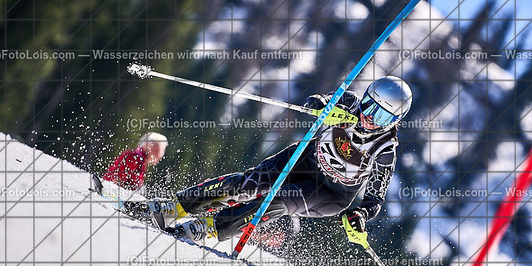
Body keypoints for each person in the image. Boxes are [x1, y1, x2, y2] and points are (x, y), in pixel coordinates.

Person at [148, 76, 412, 244]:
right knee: (247, 183)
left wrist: (359, 214)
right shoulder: (350, 102)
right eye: (369, 106)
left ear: (394, 122)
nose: (369, 118)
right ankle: (175, 207)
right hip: (305, 159)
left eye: (382, 116)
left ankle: (207, 228)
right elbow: (318, 100)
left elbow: (374, 199)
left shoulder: (385, 149)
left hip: (330, 193)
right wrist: (323, 108)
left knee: (277, 200)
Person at [103, 132, 168, 190]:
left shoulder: (139, 159)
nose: (160, 155)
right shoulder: (134, 158)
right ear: (149, 147)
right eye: (158, 150)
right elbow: (115, 180)